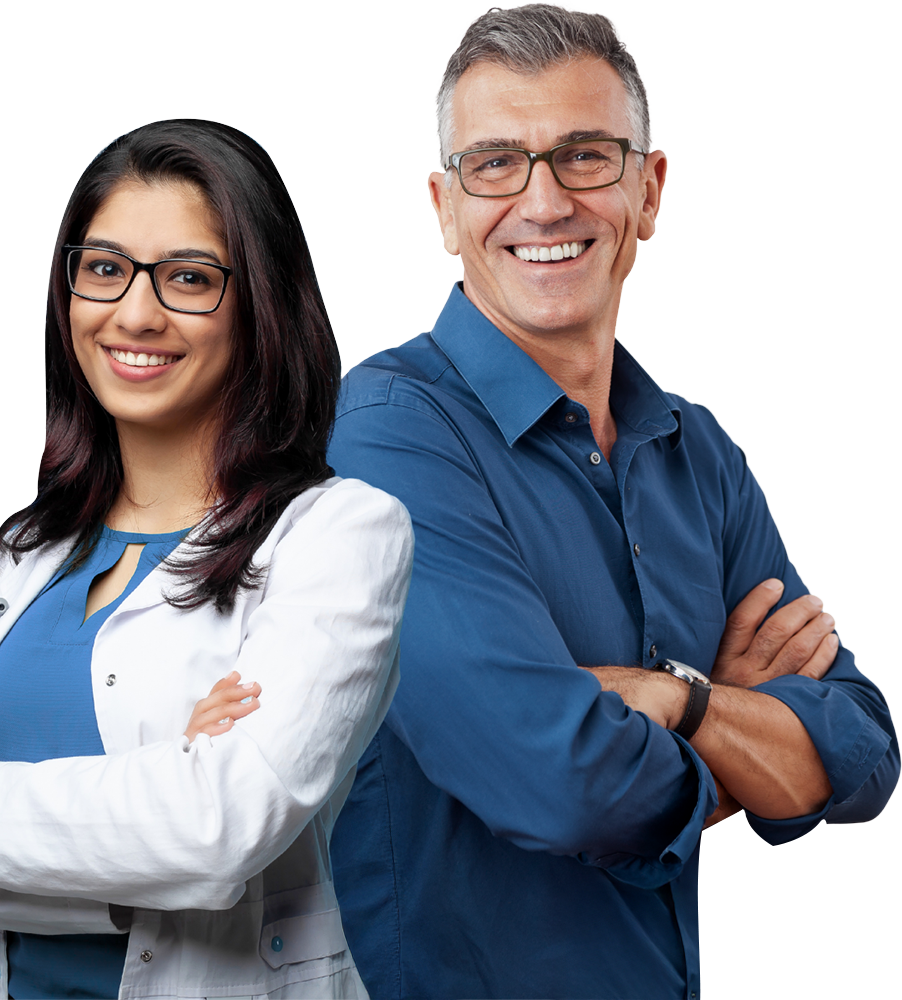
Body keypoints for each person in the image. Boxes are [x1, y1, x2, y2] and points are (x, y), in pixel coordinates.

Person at [326, 6, 900, 1000]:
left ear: (648, 187)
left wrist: (671, 698)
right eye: (495, 163)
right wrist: (737, 730)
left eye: (585, 155)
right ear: (443, 205)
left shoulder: (696, 450)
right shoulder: (386, 436)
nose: (543, 202)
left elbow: (859, 752)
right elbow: (561, 783)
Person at [0, 119, 413, 1000]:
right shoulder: (24, 551)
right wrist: (145, 826)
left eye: (188, 279)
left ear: (261, 300)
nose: (134, 313)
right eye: (104, 269)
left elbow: (218, 829)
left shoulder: (340, 535)